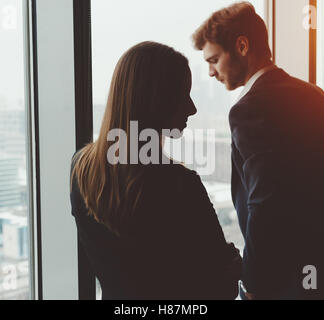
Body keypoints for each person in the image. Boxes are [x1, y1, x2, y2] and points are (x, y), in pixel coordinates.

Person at [192, 2, 324, 300]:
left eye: (214, 59)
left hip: (284, 282)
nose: (211, 72)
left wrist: (253, 283)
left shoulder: (248, 109)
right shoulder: (314, 95)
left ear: (242, 46)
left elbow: (264, 202)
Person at [70, 41, 242, 300]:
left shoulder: (80, 169)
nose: (192, 108)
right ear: (155, 100)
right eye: (182, 95)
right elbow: (221, 288)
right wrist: (234, 261)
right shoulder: (180, 186)